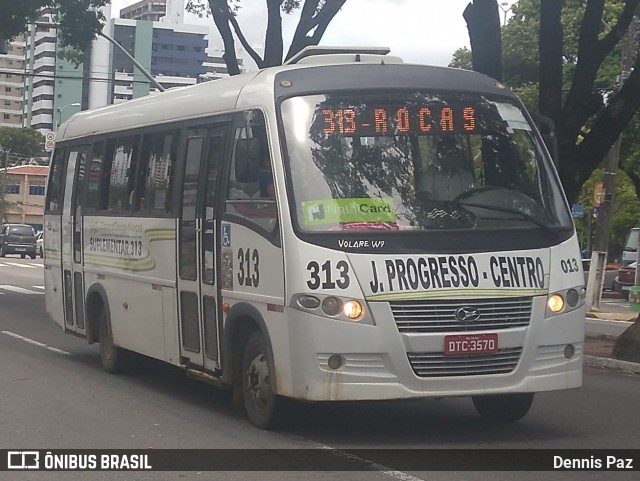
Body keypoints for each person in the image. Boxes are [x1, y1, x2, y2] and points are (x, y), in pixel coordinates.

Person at [417, 136, 475, 202]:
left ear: (458, 156)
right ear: (438, 156)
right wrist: (443, 207)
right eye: (445, 154)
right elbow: (426, 202)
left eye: (453, 154)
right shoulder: (428, 177)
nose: (450, 158)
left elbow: (475, 200)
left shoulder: (467, 177)